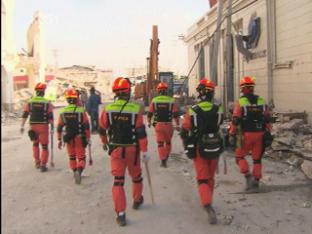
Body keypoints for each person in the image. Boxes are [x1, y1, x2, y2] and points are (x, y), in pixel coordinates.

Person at [99, 77, 148, 226]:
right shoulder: (135, 109)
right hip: (132, 149)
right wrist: (145, 151)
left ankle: (120, 214)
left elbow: (102, 130)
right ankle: (137, 200)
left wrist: (105, 143)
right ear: (128, 92)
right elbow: (141, 133)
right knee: (136, 177)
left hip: (116, 149)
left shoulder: (108, 109)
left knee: (118, 182)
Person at [180, 79, 223, 224]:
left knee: (202, 178)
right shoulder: (219, 109)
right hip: (215, 146)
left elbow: (185, 129)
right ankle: (208, 199)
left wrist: (187, 146)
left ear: (201, 92)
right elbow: (219, 124)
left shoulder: (193, 110)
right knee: (210, 176)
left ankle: (207, 205)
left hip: (200, 147)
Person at [229, 76, 272, 191]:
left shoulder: (241, 102)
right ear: (252, 88)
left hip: (245, 135)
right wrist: (269, 132)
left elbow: (235, 120)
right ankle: (256, 182)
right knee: (257, 159)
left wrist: (232, 133)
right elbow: (268, 119)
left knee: (239, 157)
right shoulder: (262, 101)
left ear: (242, 89)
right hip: (260, 134)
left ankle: (248, 176)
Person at [56, 89, 90, 184]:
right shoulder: (81, 110)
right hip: (79, 137)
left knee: (72, 157)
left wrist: (59, 139)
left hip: (68, 138)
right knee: (81, 157)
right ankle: (79, 171)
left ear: (67, 100)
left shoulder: (63, 112)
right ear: (76, 99)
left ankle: (75, 172)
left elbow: (59, 127)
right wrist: (88, 138)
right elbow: (86, 126)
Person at [20, 82, 54, 172]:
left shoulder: (30, 102)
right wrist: (53, 127)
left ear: (36, 92)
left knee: (35, 144)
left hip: (33, 126)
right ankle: (43, 165)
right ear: (43, 92)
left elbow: (25, 114)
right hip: (43, 126)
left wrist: (22, 126)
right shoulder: (47, 103)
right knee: (44, 146)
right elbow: (50, 116)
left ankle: (37, 162)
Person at [147, 82, 180, 167]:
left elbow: (150, 113)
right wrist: (177, 125)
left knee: (160, 143)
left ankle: (163, 161)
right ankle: (167, 155)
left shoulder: (154, 100)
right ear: (166, 91)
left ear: (158, 91)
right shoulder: (171, 100)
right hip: (169, 125)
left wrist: (149, 122)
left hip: (158, 125)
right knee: (168, 142)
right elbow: (176, 114)